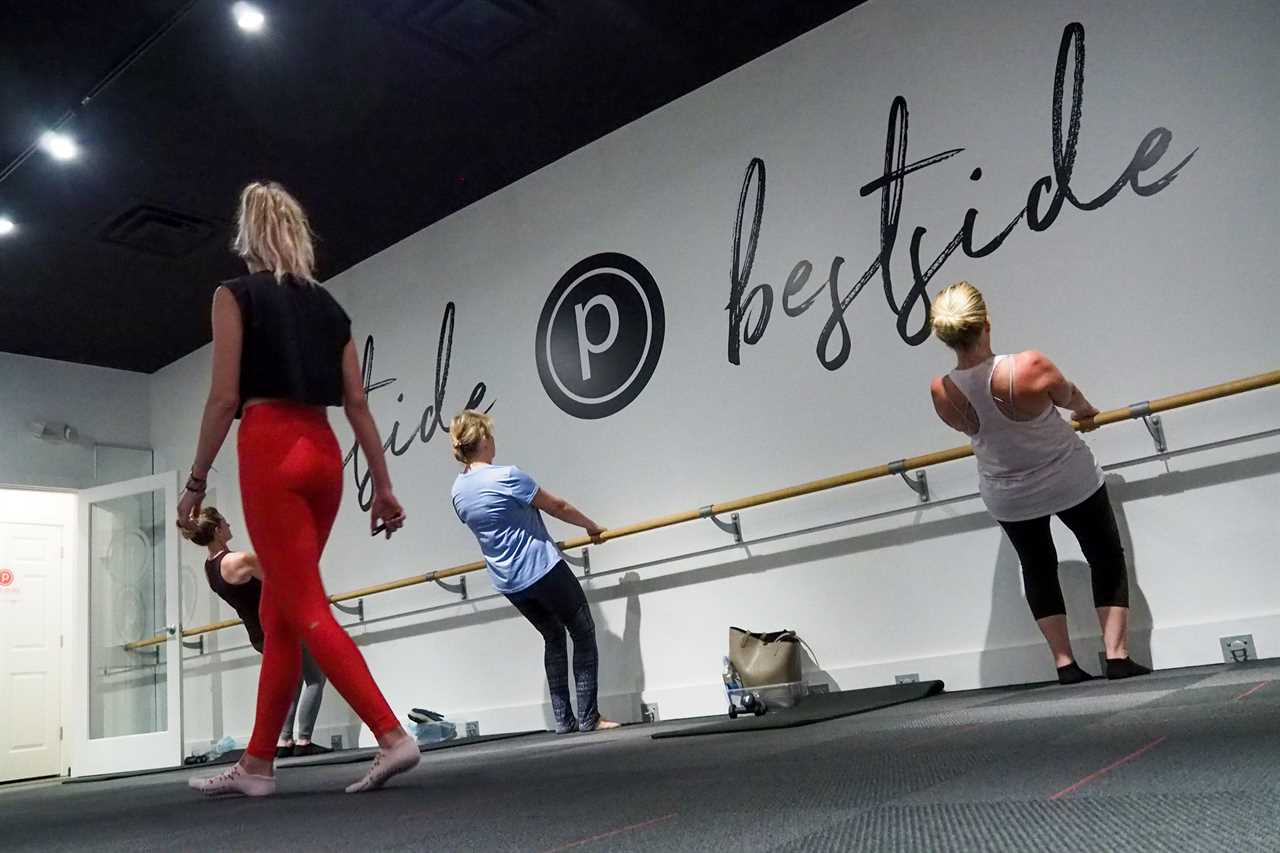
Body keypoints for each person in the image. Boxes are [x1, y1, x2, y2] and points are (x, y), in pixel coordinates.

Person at [180, 181, 418, 797]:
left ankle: (392, 735)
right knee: (278, 610)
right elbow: (360, 405)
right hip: (324, 454)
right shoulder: (329, 307)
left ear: (246, 234)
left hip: (270, 448)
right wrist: (384, 487)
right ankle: (258, 764)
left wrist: (196, 480)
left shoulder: (233, 296)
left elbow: (224, 398)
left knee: (306, 606)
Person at [927, 281, 1150, 684]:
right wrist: (1086, 412)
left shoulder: (941, 390)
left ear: (945, 335)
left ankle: (1065, 665)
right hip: (1069, 478)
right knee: (1104, 555)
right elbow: (1071, 399)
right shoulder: (1028, 365)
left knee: (1037, 567)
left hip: (1007, 491)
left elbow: (971, 427)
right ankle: (1116, 657)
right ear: (986, 323)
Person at [448, 410, 621, 734]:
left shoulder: (458, 491)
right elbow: (557, 506)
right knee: (582, 632)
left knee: (553, 636)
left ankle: (564, 721)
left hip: (509, 582)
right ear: (484, 439)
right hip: (541, 569)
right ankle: (588, 717)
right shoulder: (507, 476)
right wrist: (591, 527)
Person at [181, 507, 332, 758]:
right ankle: (303, 740)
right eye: (225, 522)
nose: (230, 525)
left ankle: (284, 741)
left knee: (291, 682)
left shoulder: (210, 568)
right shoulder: (239, 560)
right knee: (315, 678)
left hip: (258, 634)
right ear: (218, 530)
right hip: (281, 628)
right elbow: (283, 581)